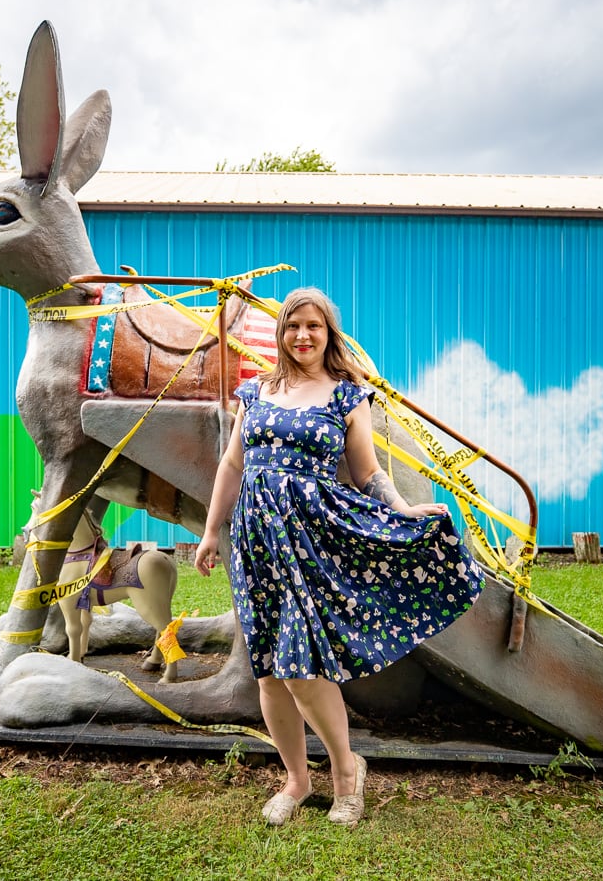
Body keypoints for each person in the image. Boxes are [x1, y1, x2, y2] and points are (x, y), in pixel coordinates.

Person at [194, 286, 484, 827]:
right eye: (292, 326)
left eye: (314, 327)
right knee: (268, 673)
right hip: (256, 545)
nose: (302, 336)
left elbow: (368, 472)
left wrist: (401, 508)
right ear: (281, 334)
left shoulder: (347, 396)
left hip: (312, 543)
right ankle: (297, 781)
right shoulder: (254, 393)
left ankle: (348, 773)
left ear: (329, 334)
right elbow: (233, 466)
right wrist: (213, 532)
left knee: (301, 668)